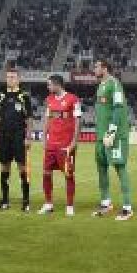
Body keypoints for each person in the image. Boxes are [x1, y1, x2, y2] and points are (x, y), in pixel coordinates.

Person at [92, 58, 134, 221]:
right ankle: (106, 202)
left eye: (96, 66)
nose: (94, 69)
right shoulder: (101, 86)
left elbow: (118, 108)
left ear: (105, 68)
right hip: (100, 136)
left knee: (119, 168)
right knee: (101, 168)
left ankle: (127, 207)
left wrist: (112, 131)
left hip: (114, 136)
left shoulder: (114, 84)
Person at [0, 68, 35, 211]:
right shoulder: (0, 96)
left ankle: (26, 201)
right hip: (3, 136)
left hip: (19, 136)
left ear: (18, 80)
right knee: (4, 167)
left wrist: (28, 137)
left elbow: (29, 118)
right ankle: (5, 200)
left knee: (22, 167)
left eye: (13, 77)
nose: (10, 79)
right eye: (8, 77)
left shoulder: (24, 96)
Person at [39, 73, 80, 216]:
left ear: (57, 84)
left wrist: (74, 142)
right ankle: (48, 203)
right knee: (46, 173)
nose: (48, 87)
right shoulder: (49, 99)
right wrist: (44, 137)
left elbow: (77, 121)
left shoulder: (73, 99)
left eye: (49, 84)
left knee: (68, 174)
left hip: (65, 145)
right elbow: (47, 119)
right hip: (51, 144)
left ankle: (69, 206)